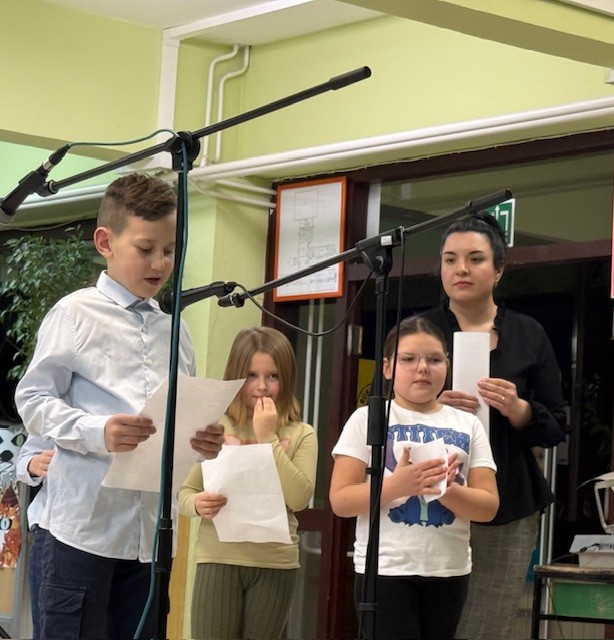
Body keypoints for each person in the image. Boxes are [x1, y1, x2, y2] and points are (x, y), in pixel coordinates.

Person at [14, 172, 225, 640]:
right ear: (105, 242)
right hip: (79, 531)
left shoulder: (177, 332)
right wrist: (98, 431)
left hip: (150, 539)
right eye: (145, 249)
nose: (160, 263)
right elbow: (32, 398)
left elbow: (177, 422)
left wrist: (202, 442)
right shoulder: (74, 314)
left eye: (169, 250)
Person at [422, 212, 567, 640]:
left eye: (475, 259)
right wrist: (432, 406)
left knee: (484, 627)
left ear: (499, 270)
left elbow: (556, 426)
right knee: (426, 623)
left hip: (506, 503)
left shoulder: (528, 334)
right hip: (426, 501)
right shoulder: (418, 332)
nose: (460, 269)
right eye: (450, 259)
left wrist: (519, 409)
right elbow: (382, 413)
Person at [329, 315, 499, 640]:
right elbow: (340, 500)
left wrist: (445, 489)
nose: (422, 368)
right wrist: (397, 485)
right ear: (387, 367)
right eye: (408, 359)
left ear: (447, 365)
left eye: (434, 359)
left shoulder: (468, 424)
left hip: (449, 570)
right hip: (385, 568)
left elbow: (488, 507)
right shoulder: (367, 418)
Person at [178, 327, 318, 640]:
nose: (262, 386)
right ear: (236, 376)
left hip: (276, 563)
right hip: (218, 558)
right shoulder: (213, 426)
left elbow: (299, 499)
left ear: (287, 379)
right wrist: (198, 504)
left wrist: (267, 436)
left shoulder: (302, 433)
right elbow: (185, 493)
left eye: (273, 376)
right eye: (252, 375)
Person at [15, 435, 54, 640]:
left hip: (131, 541)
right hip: (54, 532)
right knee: (50, 628)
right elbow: (24, 463)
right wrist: (34, 463)